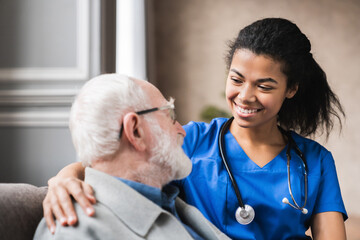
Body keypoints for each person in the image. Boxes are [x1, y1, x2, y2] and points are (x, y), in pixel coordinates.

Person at [42, 18, 347, 240]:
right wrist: (62, 180)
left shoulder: (316, 161)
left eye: (264, 86)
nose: (245, 96)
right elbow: (109, 163)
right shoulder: (191, 140)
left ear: (291, 89)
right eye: (237, 79)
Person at [34, 74, 230, 240]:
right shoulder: (74, 231)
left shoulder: (172, 203)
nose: (182, 130)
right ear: (135, 131)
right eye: (170, 116)